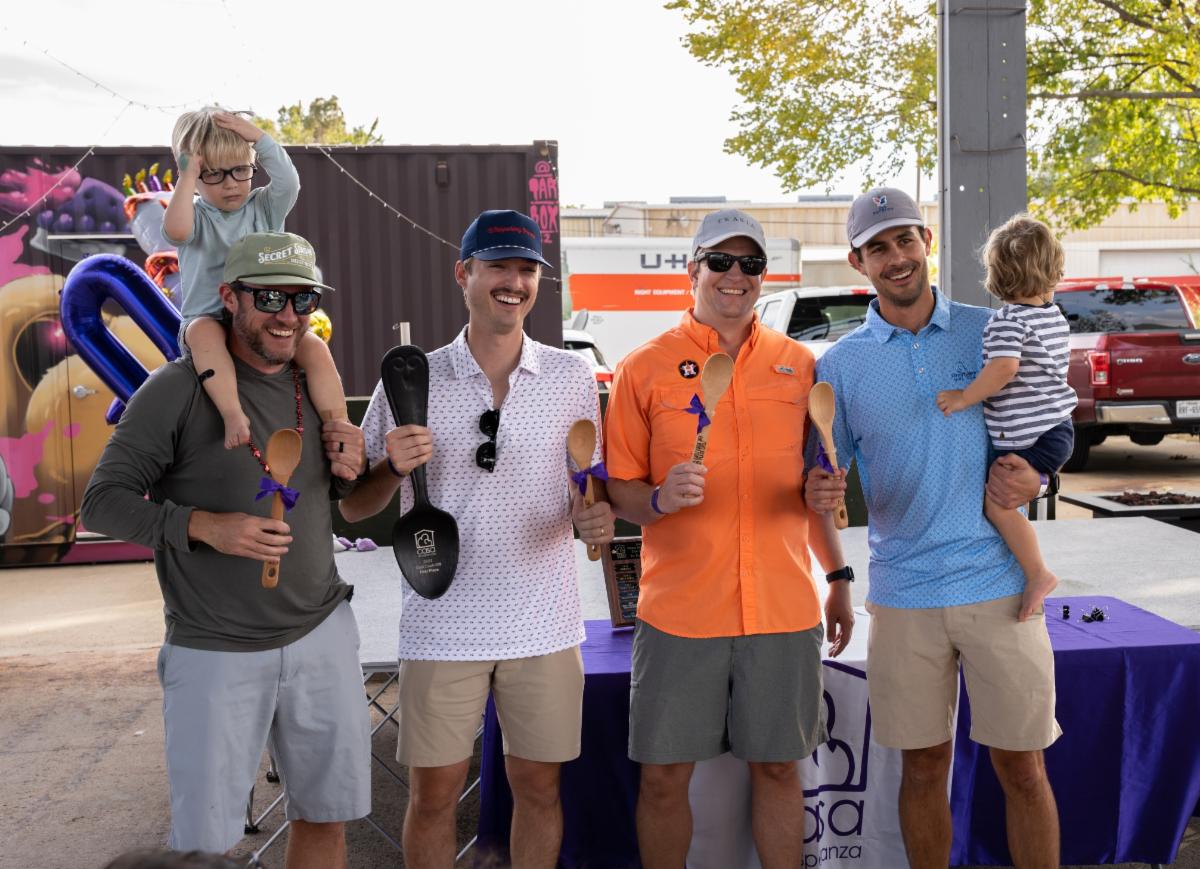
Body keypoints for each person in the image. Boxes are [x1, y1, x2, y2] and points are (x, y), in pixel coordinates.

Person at [81, 232, 371, 869]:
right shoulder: (177, 389)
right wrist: (206, 527)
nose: (287, 315)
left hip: (321, 632)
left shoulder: (316, 387)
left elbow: (340, 500)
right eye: (268, 298)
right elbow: (100, 503)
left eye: (302, 299)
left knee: (326, 818)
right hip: (213, 648)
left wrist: (363, 466)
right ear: (229, 298)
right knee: (205, 846)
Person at [339, 209, 615, 869]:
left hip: (544, 623)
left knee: (539, 789)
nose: (514, 282)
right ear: (463, 273)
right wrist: (390, 467)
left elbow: (588, 488)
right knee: (434, 795)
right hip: (441, 622)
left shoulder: (572, 377)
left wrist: (592, 517)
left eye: (526, 269)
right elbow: (353, 506)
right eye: (498, 267)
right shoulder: (412, 377)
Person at [805, 188, 1061, 869]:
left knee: (1023, 768)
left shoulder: (993, 330)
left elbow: (1049, 415)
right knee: (921, 769)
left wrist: (1039, 476)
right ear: (858, 262)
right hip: (904, 596)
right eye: (878, 247)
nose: (896, 257)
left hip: (1003, 590)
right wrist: (833, 559)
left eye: (905, 240)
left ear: (927, 241)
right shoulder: (840, 366)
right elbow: (822, 482)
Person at [602, 208, 855, 869]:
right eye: (720, 261)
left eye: (750, 264)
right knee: (663, 778)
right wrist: (658, 498)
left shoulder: (799, 365)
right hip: (680, 612)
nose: (735, 275)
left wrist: (837, 575)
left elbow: (813, 490)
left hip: (782, 609)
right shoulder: (643, 368)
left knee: (778, 770)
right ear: (693, 270)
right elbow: (618, 489)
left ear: (763, 276)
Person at [163, 106, 345, 449]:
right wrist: (186, 178)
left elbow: (289, 182)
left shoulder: (264, 206)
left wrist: (259, 138)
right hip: (209, 317)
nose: (230, 183)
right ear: (196, 176)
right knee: (202, 334)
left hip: (265, 312)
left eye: (240, 170)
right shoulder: (196, 215)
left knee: (314, 348)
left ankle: (340, 425)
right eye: (214, 174)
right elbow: (176, 231)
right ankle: (232, 412)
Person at [936, 214, 1076, 621]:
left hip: (1030, 437)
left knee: (997, 506)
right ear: (1053, 269)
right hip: (1056, 430)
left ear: (998, 275)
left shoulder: (1007, 321)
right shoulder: (1053, 316)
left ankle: (1037, 573)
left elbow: (1004, 368)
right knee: (1002, 500)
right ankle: (1032, 570)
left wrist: (964, 397)